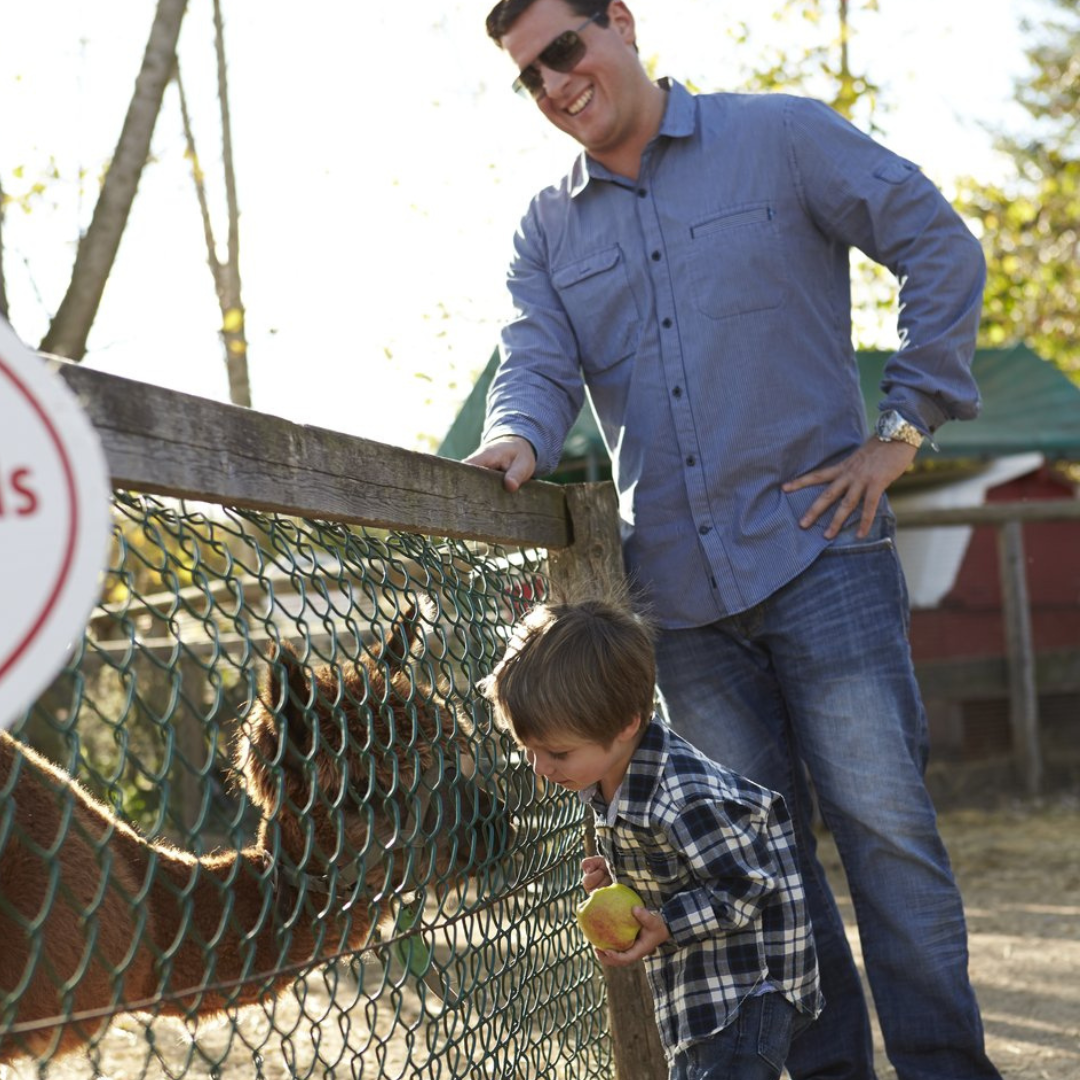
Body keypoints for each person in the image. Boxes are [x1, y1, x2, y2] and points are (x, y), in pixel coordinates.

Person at [465, 2, 1003, 1079]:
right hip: (682, 607)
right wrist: (513, 442)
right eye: (530, 78)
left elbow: (938, 245)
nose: (555, 86)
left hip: (824, 557)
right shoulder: (546, 229)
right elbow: (533, 363)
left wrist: (902, 430)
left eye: (563, 50)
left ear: (618, 21)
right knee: (761, 868)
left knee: (889, 841)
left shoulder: (782, 137)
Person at [481, 598, 822, 1079]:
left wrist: (664, 922)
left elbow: (746, 887)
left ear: (625, 726)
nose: (539, 767)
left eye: (556, 751)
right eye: (527, 749)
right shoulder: (610, 777)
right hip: (703, 991)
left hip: (746, 992)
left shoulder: (684, 800)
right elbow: (682, 864)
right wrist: (622, 876)